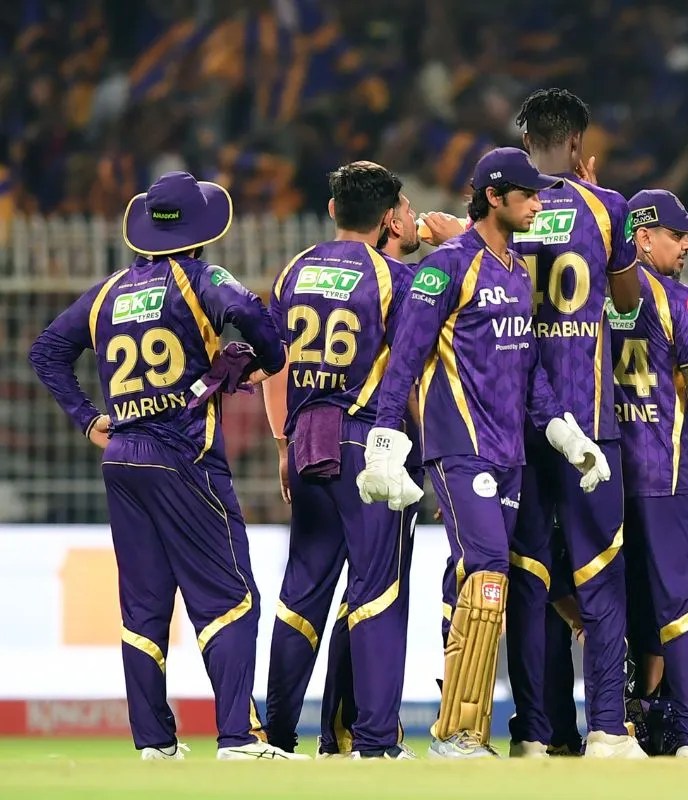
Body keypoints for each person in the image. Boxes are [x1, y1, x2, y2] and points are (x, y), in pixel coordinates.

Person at [28, 171, 303, 760]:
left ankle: (154, 743)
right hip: (184, 457)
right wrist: (267, 357)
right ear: (202, 231)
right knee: (231, 597)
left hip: (123, 459)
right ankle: (238, 736)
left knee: (144, 608)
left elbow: (46, 351)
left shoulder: (108, 292)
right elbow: (250, 313)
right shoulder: (203, 278)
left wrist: (87, 417)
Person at [357, 147, 612, 759]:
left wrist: (567, 434)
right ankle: (457, 733)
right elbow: (405, 357)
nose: (538, 204)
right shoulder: (446, 268)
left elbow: (530, 373)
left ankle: (460, 726)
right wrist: (384, 438)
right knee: (489, 568)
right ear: (494, 197)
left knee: (474, 578)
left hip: (510, 454)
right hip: (460, 448)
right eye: (528, 194)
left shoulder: (518, 271)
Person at [261, 162, 424, 760]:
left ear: (332, 210)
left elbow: (271, 363)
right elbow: (407, 374)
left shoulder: (294, 270)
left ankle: (277, 736)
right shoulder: (395, 279)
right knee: (377, 589)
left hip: (307, 438)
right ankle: (376, 742)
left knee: (301, 593)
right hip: (368, 439)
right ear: (388, 218)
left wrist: (283, 443)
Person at [505, 88, 645, 760]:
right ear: (578, 145)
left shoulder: (503, 207)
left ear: (524, 142)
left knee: (529, 577)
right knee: (600, 572)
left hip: (512, 423)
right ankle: (607, 728)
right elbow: (628, 301)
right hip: (587, 417)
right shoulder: (605, 206)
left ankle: (533, 733)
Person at [609, 189, 688, 757]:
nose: (687, 245)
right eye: (677, 235)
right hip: (666, 476)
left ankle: (615, 724)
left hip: (603, 479)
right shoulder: (678, 302)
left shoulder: (591, 299)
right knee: (679, 609)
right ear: (642, 237)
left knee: (612, 609)